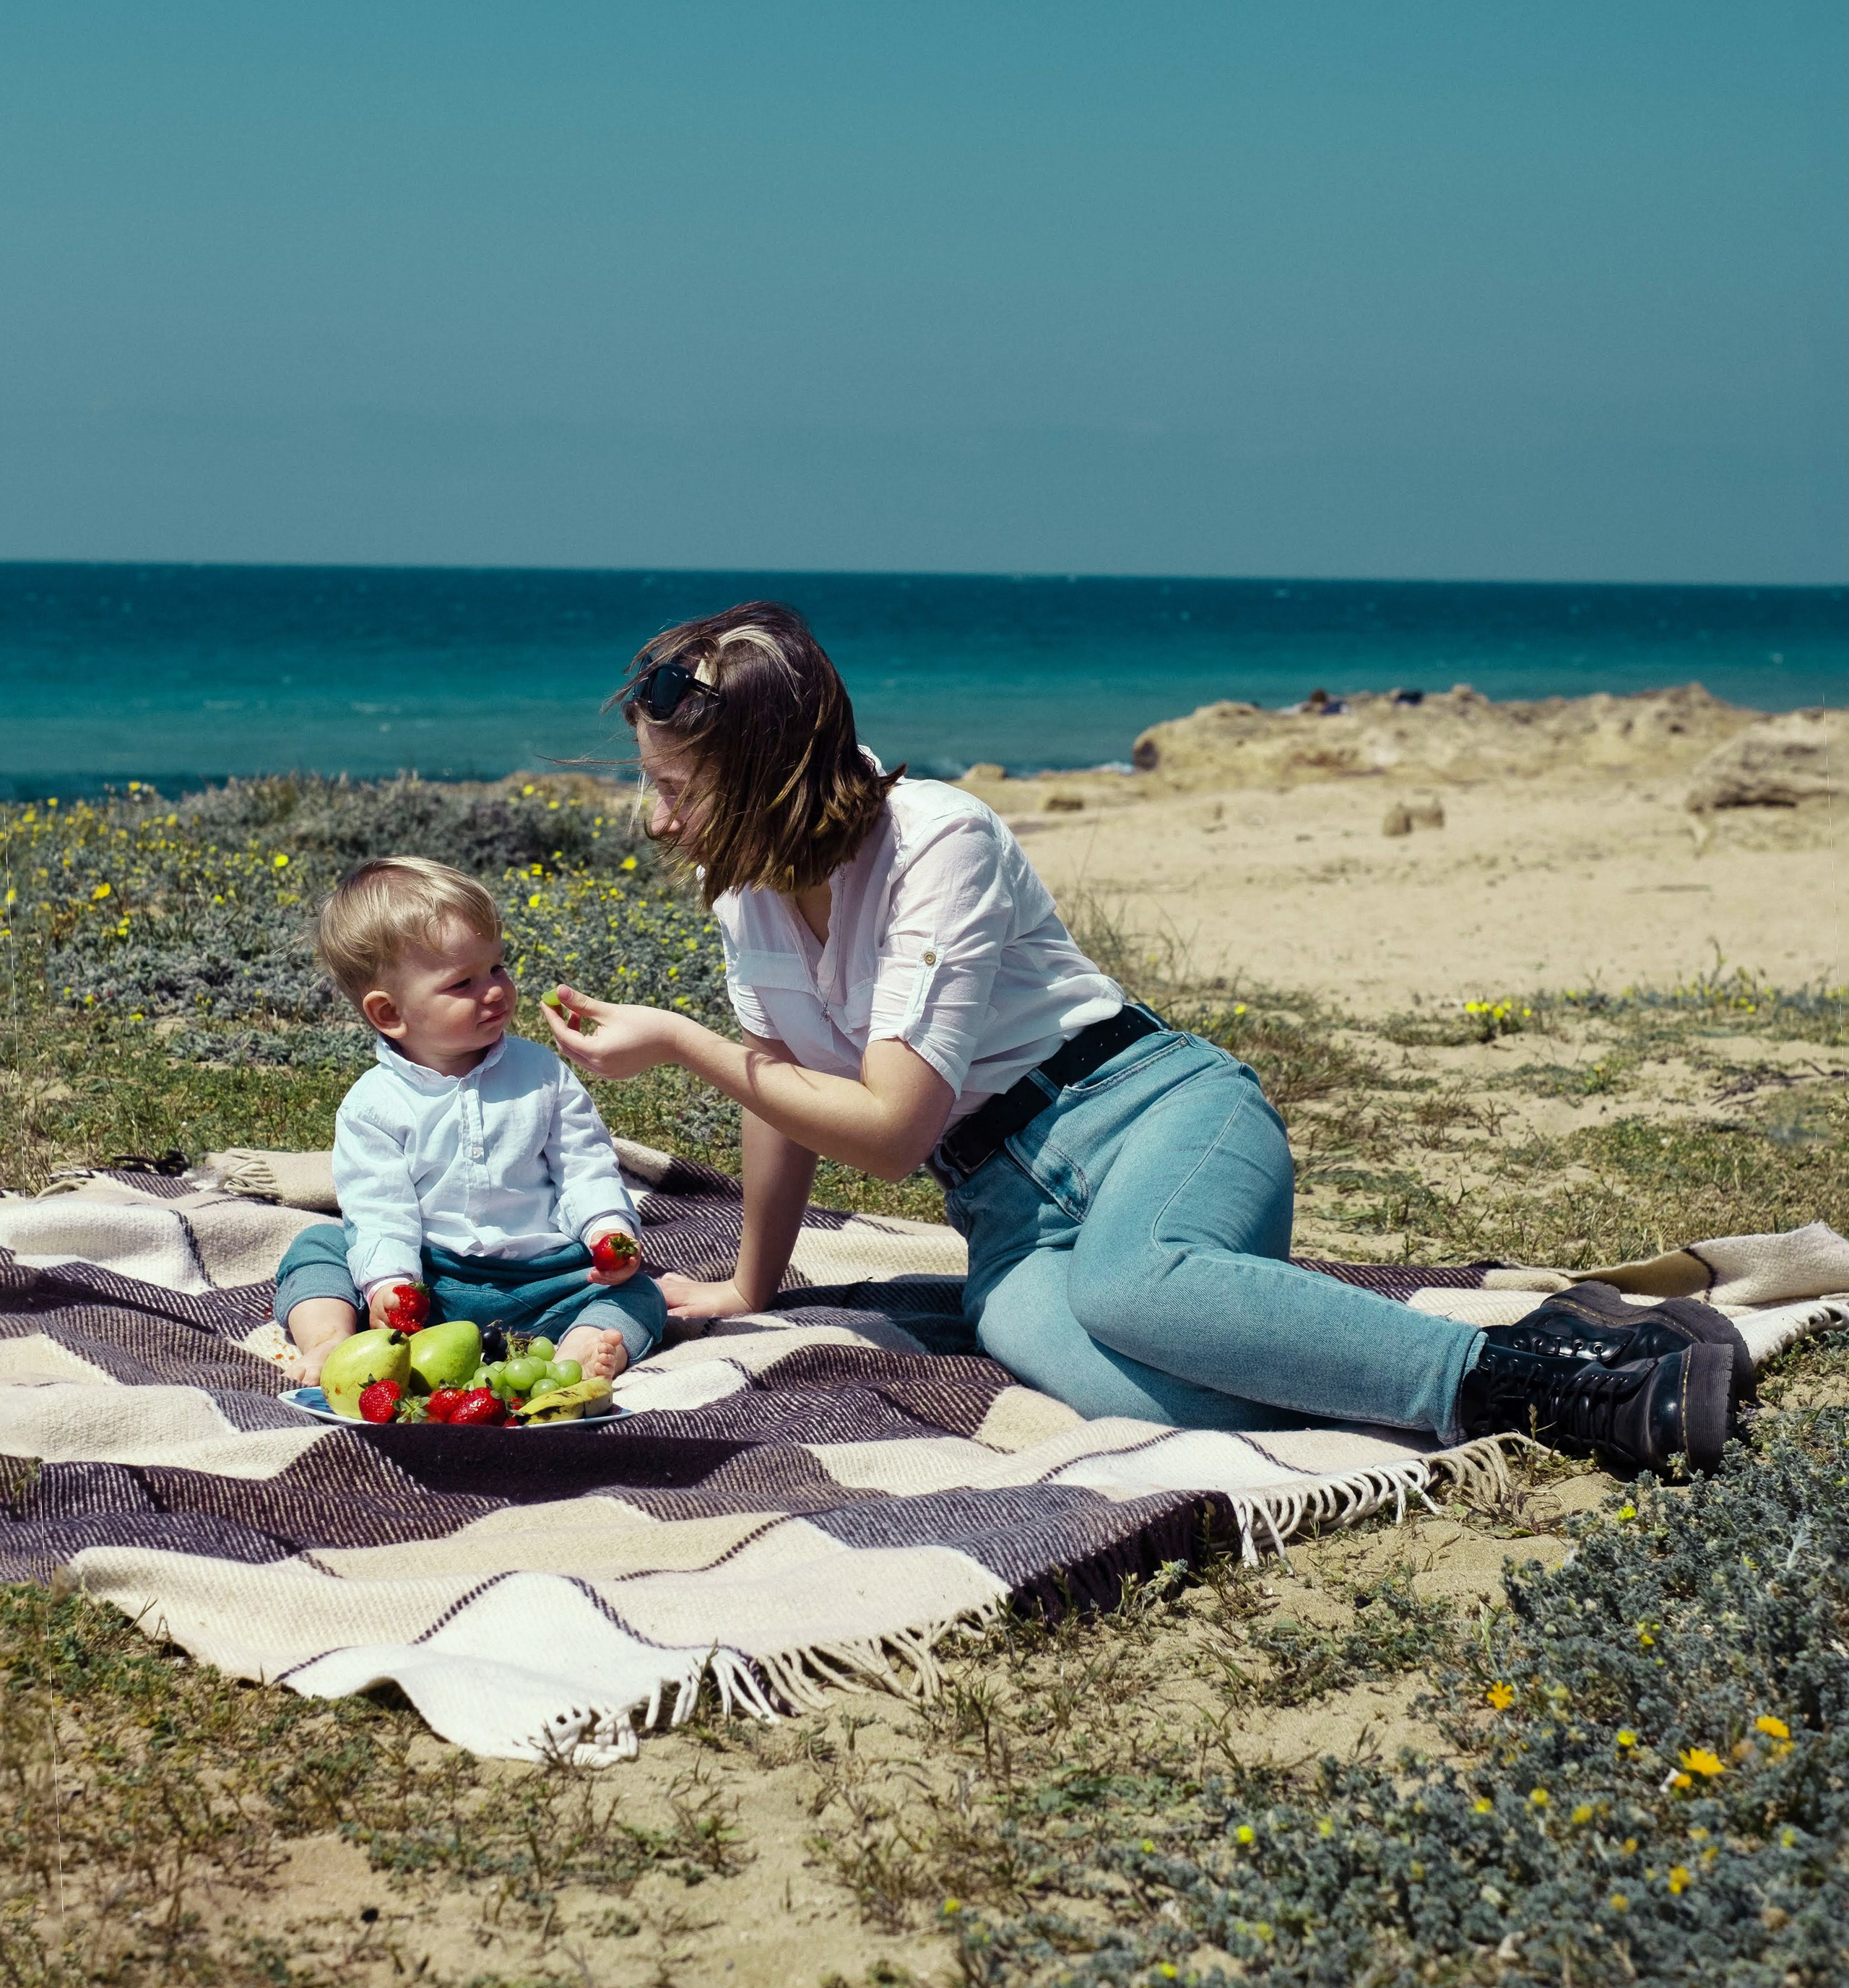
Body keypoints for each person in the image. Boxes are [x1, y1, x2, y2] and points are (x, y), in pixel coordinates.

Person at [541, 603, 1743, 1477]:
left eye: (677, 789)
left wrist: (683, 1044)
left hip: (1152, 1109)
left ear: (763, 776)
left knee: (1133, 1279)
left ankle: (1554, 1380)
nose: (654, 819)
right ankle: (1564, 1356)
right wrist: (754, 1281)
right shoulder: (747, 886)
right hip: (1006, 1214)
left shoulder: (936, 840)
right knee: (1170, 1412)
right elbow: (782, 1094)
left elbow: (895, 1128)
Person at [276, 855, 666, 1388]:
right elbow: (379, 1209)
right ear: (389, 1013)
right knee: (319, 1247)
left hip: (544, 1279)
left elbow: (586, 1166)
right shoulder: (373, 1105)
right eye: (463, 982)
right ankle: (333, 1342)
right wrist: (391, 1284)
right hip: (432, 1284)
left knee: (641, 1291)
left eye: (498, 967)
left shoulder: (542, 1073)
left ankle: (578, 1351)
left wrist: (608, 1230)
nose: (495, 989)